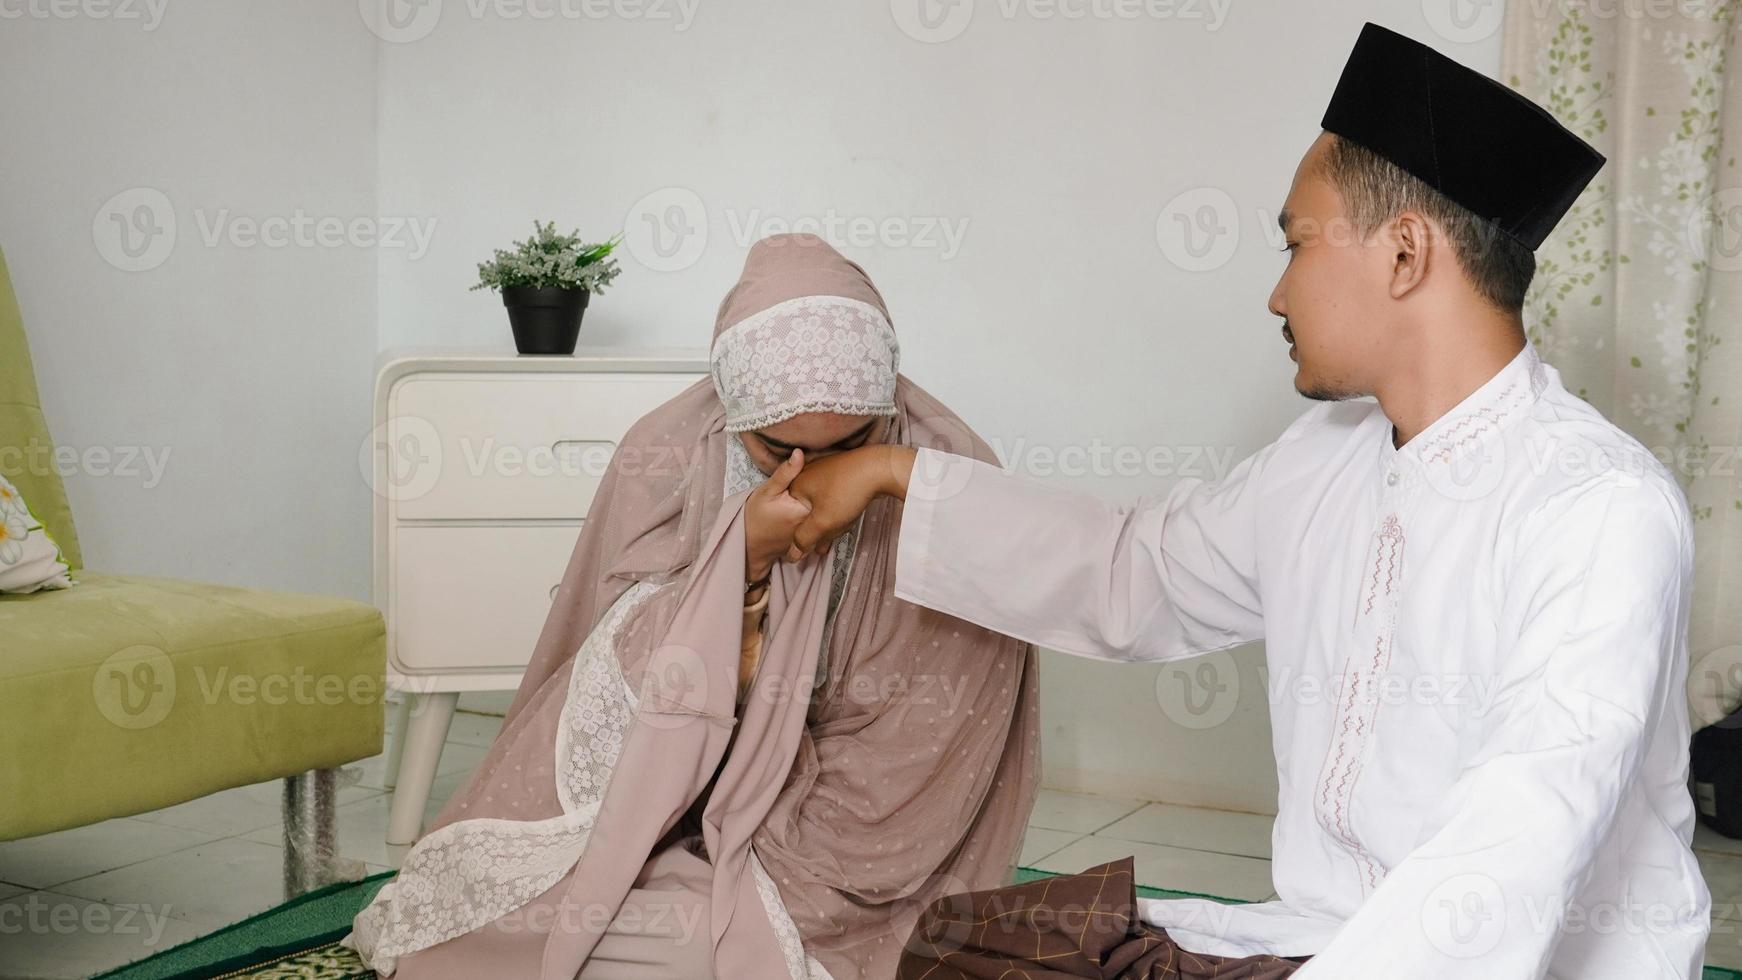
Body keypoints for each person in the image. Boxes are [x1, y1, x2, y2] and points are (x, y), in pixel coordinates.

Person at [786, 23, 1710, 979]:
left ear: (1404, 255)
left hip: (1520, 964)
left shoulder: (1599, 507)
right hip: (1315, 940)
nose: (1276, 294)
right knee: (961, 946)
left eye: (1298, 244)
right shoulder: (1323, 459)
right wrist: (897, 475)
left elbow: (1519, 839)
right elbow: (1133, 573)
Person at [344, 233, 1040, 980]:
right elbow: (599, 674)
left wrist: (754, 838)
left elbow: (930, 749)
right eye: (778, 449)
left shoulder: (950, 477)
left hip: (838, 846)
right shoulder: (669, 451)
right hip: (665, 805)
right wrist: (740, 561)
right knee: (457, 917)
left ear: (887, 404)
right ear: (734, 410)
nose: (812, 476)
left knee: (682, 946)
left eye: (853, 444)